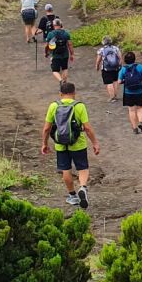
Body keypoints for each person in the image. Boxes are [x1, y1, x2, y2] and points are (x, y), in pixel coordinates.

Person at [40, 81, 98, 210]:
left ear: (60, 93)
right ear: (74, 93)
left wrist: (44, 144)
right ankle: (82, 187)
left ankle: (72, 195)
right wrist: (95, 143)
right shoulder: (79, 106)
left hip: (60, 144)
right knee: (82, 168)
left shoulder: (53, 106)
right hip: (78, 143)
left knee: (66, 170)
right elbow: (87, 128)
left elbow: (46, 128)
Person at [120, 50, 142, 134]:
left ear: (125, 60)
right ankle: (140, 121)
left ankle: (135, 128)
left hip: (128, 92)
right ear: (134, 59)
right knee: (140, 108)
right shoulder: (139, 67)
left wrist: (125, 81)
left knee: (131, 110)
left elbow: (119, 81)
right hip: (139, 91)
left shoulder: (123, 69)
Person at [96, 37, 123, 102]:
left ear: (103, 42)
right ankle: (115, 96)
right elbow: (120, 58)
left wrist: (97, 66)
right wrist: (120, 65)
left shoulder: (101, 50)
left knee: (109, 83)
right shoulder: (116, 48)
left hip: (106, 69)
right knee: (115, 81)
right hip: (116, 68)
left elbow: (98, 60)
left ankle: (112, 97)